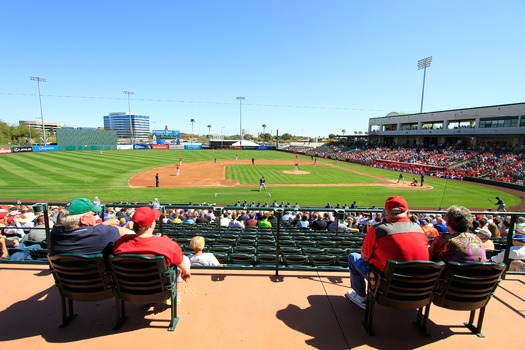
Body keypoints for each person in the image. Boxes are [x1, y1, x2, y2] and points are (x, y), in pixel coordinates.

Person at [346, 196, 429, 310]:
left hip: (386, 285)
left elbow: (365, 257)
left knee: (353, 257)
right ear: (408, 212)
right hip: (419, 287)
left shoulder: (377, 229)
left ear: (384, 212)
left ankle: (360, 298)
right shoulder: (419, 229)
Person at [113, 207, 191, 303]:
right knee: (185, 260)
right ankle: (171, 294)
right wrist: (185, 271)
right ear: (151, 225)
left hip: (128, 288)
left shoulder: (121, 243)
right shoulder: (166, 243)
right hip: (158, 289)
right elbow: (180, 261)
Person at [48, 198, 134, 255]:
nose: (95, 217)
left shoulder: (54, 234)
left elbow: (77, 229)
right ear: (83, 219)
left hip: (67, 280)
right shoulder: (103, 233)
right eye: (93, 214)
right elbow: (132, 234)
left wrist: (102, 224)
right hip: (98, 281)